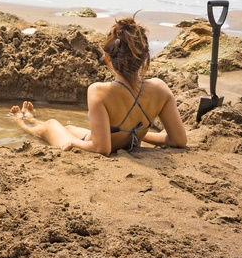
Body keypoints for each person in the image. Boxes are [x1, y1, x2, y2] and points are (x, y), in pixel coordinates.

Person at [10, 14, 187, 156]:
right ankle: (33, 119)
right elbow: (179, 140)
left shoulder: (99, 91)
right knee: (69, 128)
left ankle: (23, 123)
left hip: (99, 144)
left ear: (108, 58)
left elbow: (102, 148)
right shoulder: (160, 88)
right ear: (145, 58)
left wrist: (72, 142)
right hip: (122, 141)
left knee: (51, 124)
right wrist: (139, 133)